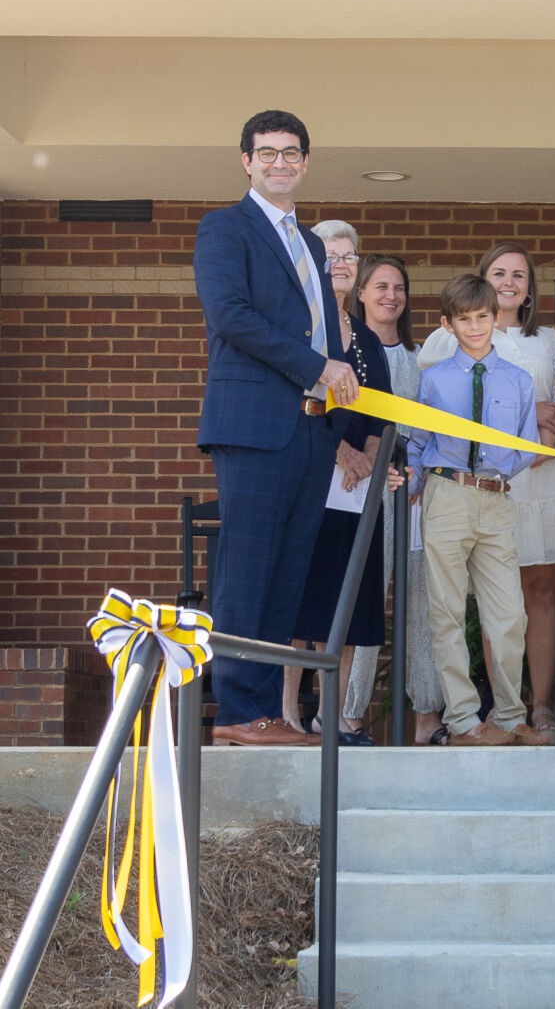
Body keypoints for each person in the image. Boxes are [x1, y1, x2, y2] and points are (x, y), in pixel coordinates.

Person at [194, 109, 355, 746]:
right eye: (268, 153)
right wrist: (317, 365)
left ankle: (263, 713)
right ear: (246, 161)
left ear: (306, 162)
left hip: (311, 432)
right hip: (254, 426)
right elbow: (230, 315)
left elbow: (318, 327)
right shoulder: (224, 229)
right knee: (246, 572)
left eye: (291, 153)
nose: (280, 163)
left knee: (286, 577)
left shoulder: (313, 244)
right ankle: (235, 711)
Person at [421, 242, 555, 745]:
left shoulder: (537, 355)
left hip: (526, 486)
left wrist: (546, 431)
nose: (510, 282)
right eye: (499, 273)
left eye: (519, 275)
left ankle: (527, 713)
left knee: (527, 605)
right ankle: (480, 717)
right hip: (465, 488)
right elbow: (424, 425)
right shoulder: (440, 356)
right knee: (471, 605)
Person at [408, 273, 545, 746]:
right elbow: (416, 440)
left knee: (509, 615)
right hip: (447, 494)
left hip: (496, 498)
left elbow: (528, 444)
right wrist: (411, 475)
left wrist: (503, 466)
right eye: (463, 320)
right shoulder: (433, 380)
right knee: (445, 609)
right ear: (448, 324)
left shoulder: (518, 380)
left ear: (495, 318)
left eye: (482, 317)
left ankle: (509, 718)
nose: (474, 327)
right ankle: (464, 721)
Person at [286, 220, 393, 746]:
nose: (342, 263)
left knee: (351, 602)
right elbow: (295, 400)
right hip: (313, 476)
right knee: (307, 602)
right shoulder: (303, 326)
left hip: (358, 488)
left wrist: (370, 453)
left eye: (350, 255)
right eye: (331, 255)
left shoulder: (369, 338)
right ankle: (287, 714)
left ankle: (329, 717)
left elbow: (384, 410)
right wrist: (341, 451)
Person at [350, 252, 449, 744]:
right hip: (371, 493)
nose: (391, 296)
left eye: (398, 288)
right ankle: (348, 715)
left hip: (417, 494)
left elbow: (431, 426)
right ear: (361, 293)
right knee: (368, 599)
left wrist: (422, 474)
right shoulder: (353, 355)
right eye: (380, 287)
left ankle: (428, 717)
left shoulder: (420, 358)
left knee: (422, 604)